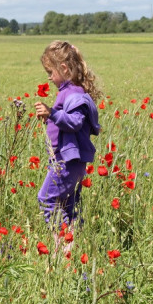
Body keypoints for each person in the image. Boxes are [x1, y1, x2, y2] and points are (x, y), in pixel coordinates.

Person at [34, 41, 101, 243]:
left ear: (63, 68)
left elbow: (75, 122)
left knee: (47, 200)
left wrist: (52, 113)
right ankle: (74, 246)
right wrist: (53, 117)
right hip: (68, 160)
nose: (49, 77)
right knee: (68, 206)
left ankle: (64, 245)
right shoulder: (70, 91)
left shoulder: (74, 94)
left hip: (67, 162)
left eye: (50, 72)